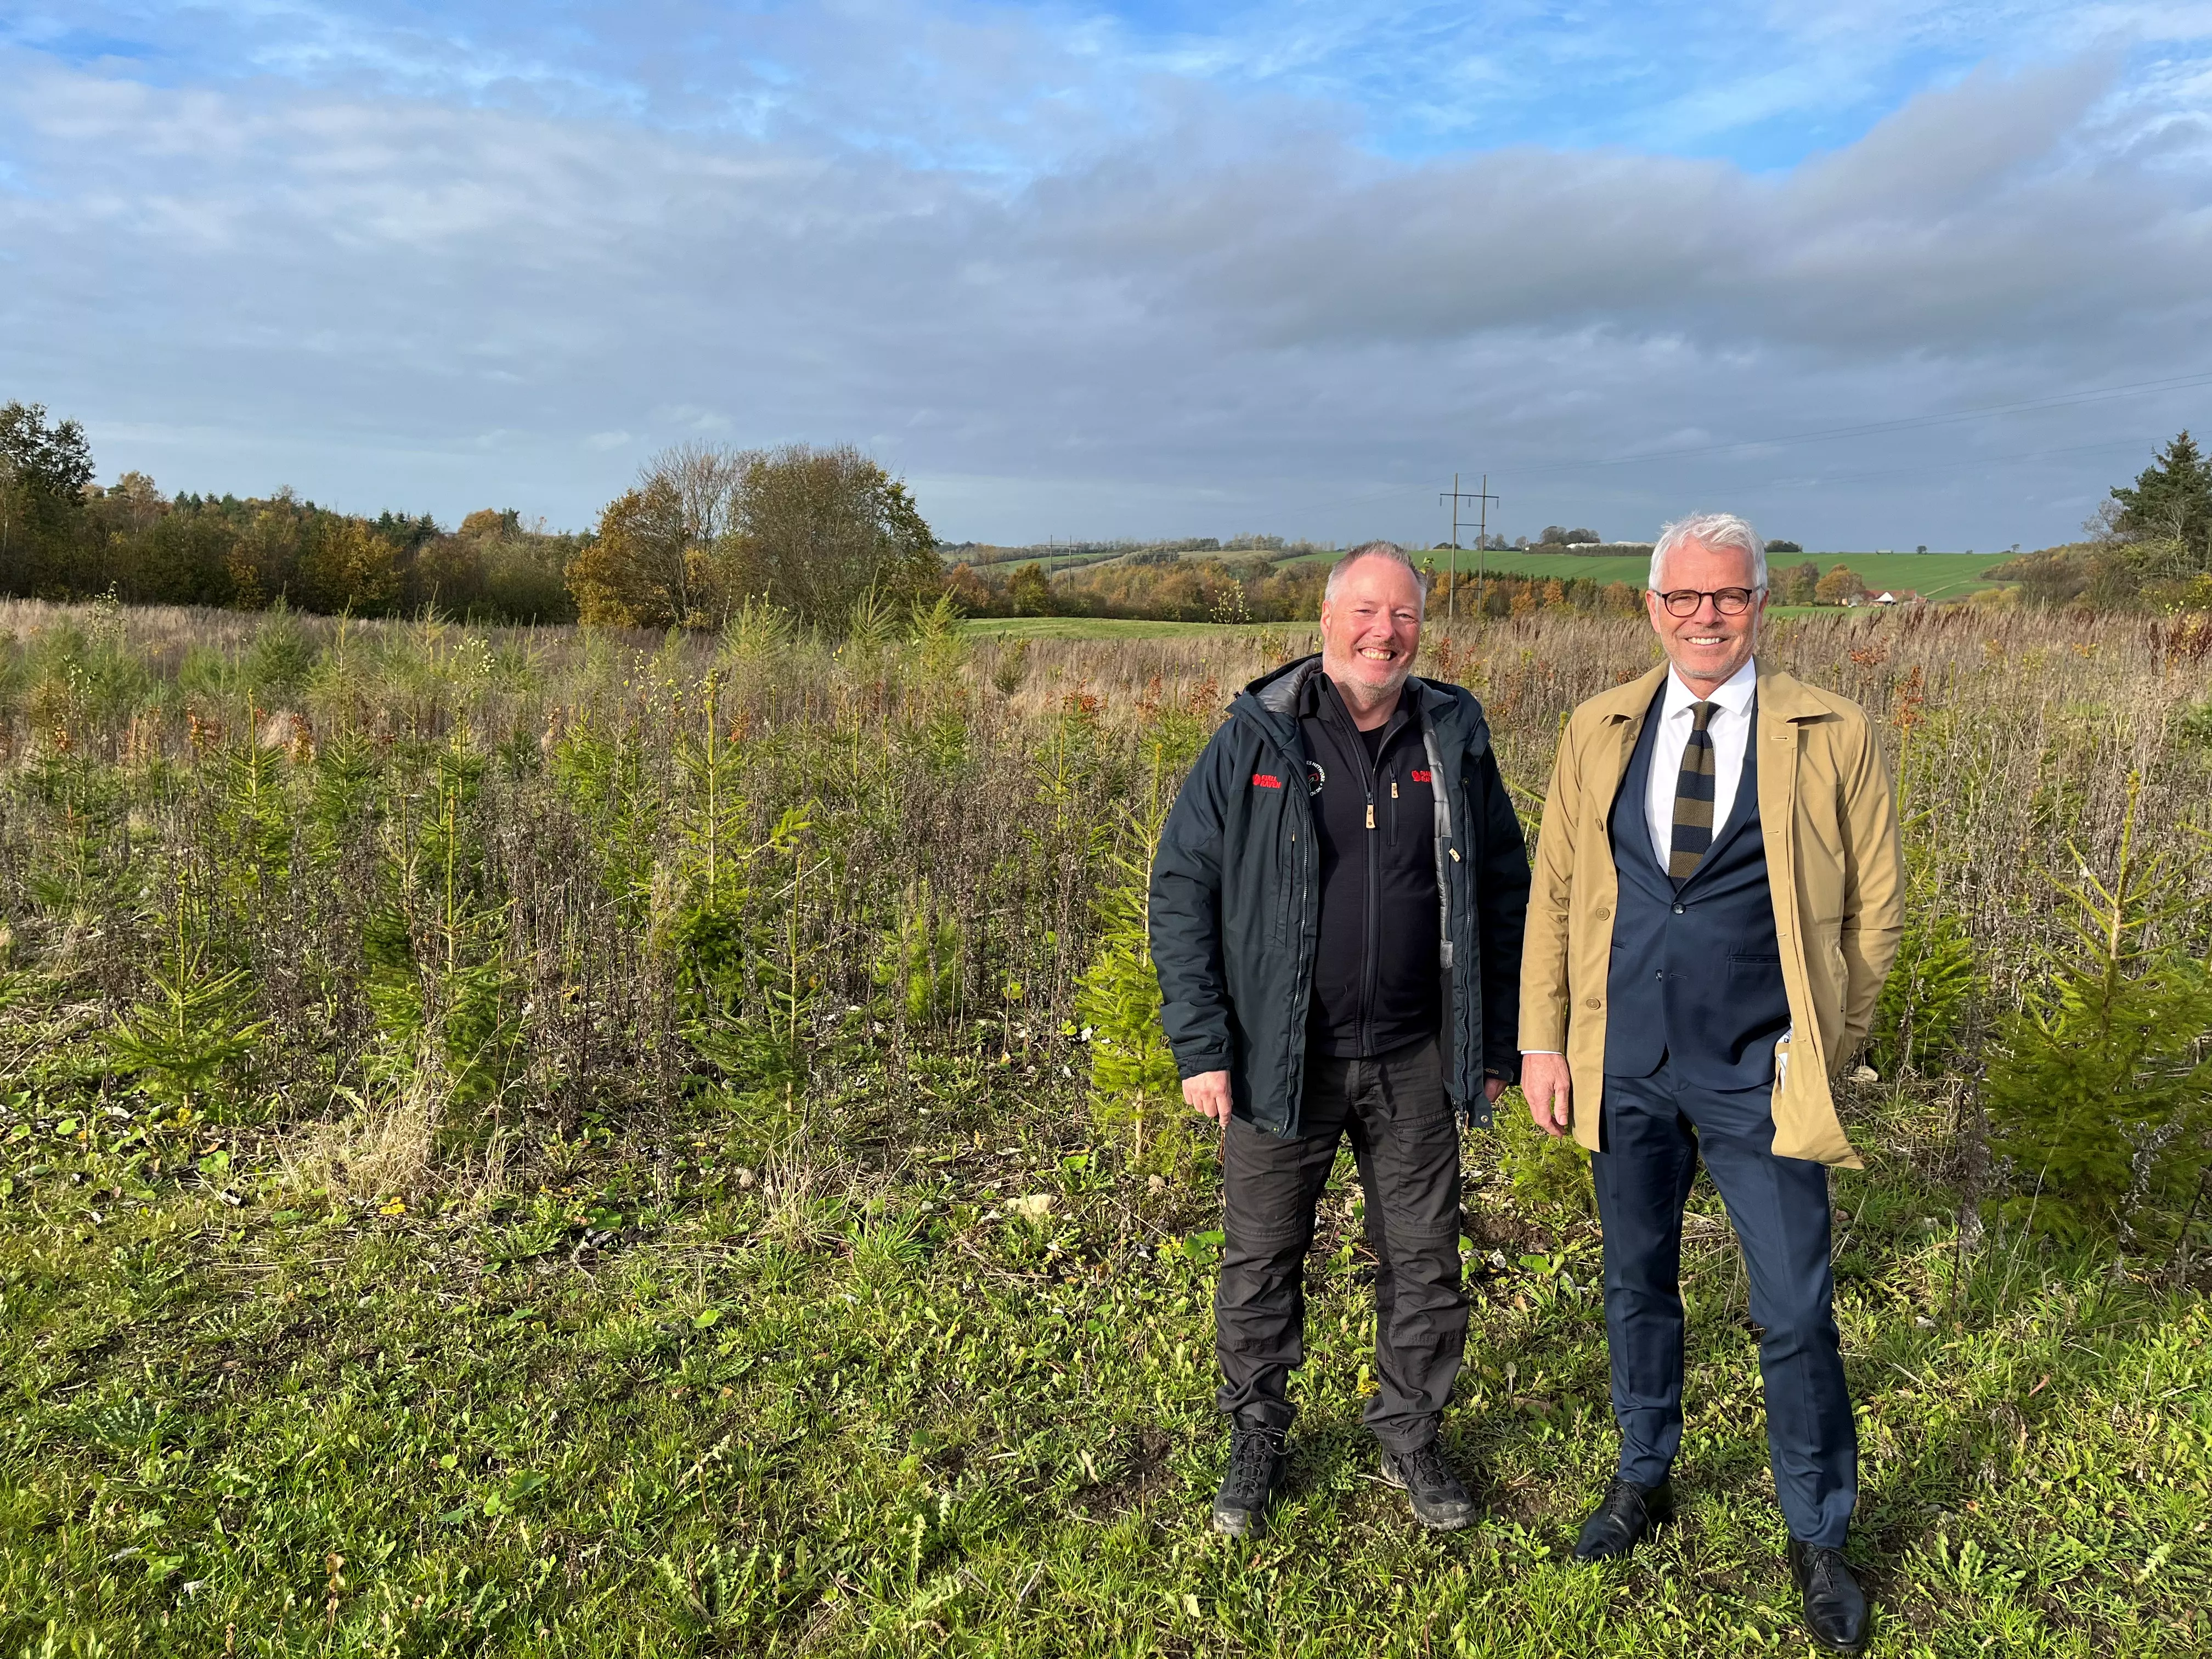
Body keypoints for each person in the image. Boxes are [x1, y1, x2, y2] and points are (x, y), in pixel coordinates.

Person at [1518, 513, 1904, 1653]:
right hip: (1623, 1060)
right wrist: (1544, 1042)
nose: (1705, 616)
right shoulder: (1599, 728)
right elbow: (1554, 891)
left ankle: (1818, 1532)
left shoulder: (1833, 732)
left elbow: (1875, 912)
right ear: (1652, 608)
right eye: (1683, 598)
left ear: (1760, 605)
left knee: (1794, 1308)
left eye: (1727, 596)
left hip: (1762, 1075)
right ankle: (1645, 1474)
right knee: (1636, 1284)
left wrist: (1830, 1042)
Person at [1149, 541, 1530, 1537]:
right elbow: (1182, 889)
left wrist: (1496, 1046)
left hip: (1415, 1054)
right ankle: (1258, 1431)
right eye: (1366, 611)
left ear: (1420, 629)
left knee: (1425, 1261)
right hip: (1285, 1058)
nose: (1384, 632)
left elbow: (1504, 891)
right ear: (1325, 620)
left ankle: (1410, 1434)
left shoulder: (1454, 732)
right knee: (1262, 1257)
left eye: (1402, 615)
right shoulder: (1257, 737)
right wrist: (1202, 1045)